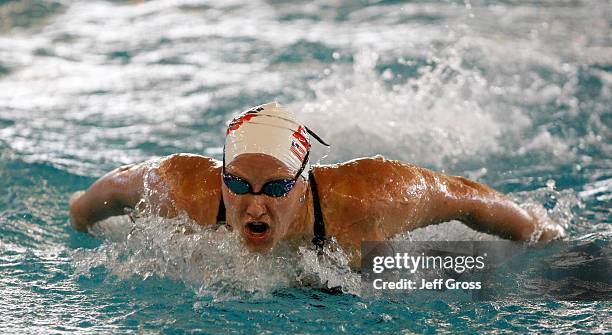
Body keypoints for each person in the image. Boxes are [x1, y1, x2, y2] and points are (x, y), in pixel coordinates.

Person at [69, 102, 564, 264]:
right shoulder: (184, 189)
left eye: (277, 187)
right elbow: (105, 193)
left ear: (304, 184)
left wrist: (542, 235)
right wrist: (79, 219)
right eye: (239, 185)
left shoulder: (370, 199)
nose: (255, 205)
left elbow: (465, 199)